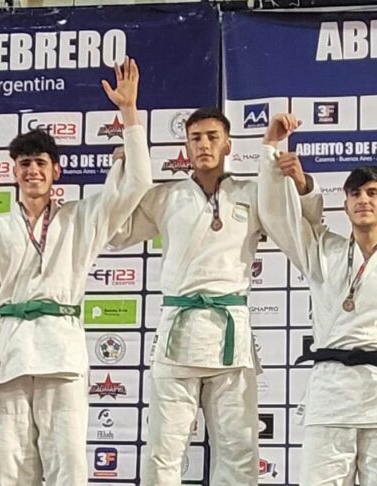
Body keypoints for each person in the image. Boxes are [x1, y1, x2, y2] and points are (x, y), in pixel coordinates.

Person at [0, 57, 151, 486]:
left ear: (57, 171)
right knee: (11, 471)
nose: (32, 171)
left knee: (67, 467)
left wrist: (129, 114)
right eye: (24, 164)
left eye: (40, 163)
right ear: (14, 172)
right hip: (11, 355)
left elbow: (137, 183)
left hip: (61, 356)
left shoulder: (82, 218)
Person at [257, 114, 377, 486]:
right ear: (344, 203)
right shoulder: (322, 252)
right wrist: (271, 150)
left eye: (372, 192)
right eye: (355, 193)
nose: (363, 200)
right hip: (330, 399)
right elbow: (278, 215)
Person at [108, 107, 266, 485]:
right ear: (186, 146)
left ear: (228, 144)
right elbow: (116, 233)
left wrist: (302, 185)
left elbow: (299, 227)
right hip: (179, 334)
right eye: (196, 138)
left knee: (239, 449)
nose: (204, 144)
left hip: (230, 337)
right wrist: (120, 172)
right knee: (165, 449)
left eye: (212, 136)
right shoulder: (166, 197)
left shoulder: (253, 194)